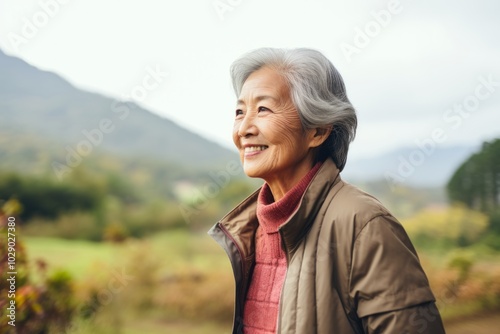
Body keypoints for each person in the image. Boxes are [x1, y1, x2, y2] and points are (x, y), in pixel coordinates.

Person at [208, 48, 445, 334]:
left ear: (318, 131)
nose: (244, 128)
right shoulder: (249, 230)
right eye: (239, 112)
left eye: (263, 109)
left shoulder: (365, 225)